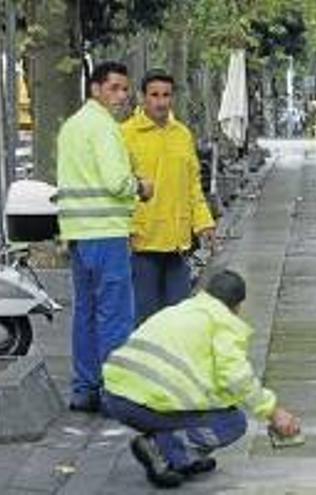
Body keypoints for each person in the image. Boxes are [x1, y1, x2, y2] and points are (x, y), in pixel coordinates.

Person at [102, 270, 301, 488]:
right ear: (237, 306)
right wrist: (272, 412)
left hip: (115, 395)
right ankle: (163, 451)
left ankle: (183, 458)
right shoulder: (222, 322)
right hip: (144, 402)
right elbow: (237, 378)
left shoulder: (182, 309)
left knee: (214, 410)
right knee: (231, 422)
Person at [56, 61, 154, 413]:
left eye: (125, 89)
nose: (122, 96)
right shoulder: (104, 128)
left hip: (78, 236)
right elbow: (116, 182)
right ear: (95, 89)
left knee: (85, 314)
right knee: (114, 316)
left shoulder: (71, 127)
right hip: (107, 234)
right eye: (114, 88)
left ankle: (85, 388)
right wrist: (141, 187)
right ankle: (116, 393)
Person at [122, 69, 216, 325]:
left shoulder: (182, 134)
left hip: (178, 243)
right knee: (145, 316)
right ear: (142, 98)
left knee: (179, 315)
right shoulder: (125, 135)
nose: (161, 102)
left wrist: (204, 223)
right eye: (154, 95)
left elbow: (193, 185)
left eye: (166, 95)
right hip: (142, 241)